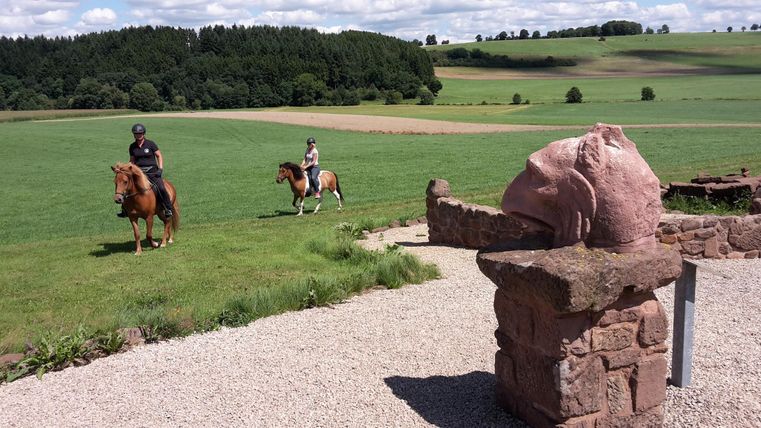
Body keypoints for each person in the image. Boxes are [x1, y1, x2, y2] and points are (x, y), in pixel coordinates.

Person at [117, 123, 173, 217]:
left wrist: (160, 169)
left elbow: (159, 156)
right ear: (133, 134)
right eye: (136, 134)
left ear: (144, 134)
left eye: (140, 133)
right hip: (139, 173)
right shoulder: (132, 146)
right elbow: (132, 161)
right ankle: (124, 210)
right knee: (127, 187)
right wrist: (124, 169)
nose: (138, 135)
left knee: (161, 187)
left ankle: (168, 208)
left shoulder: (151, 144)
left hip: (152, 172)